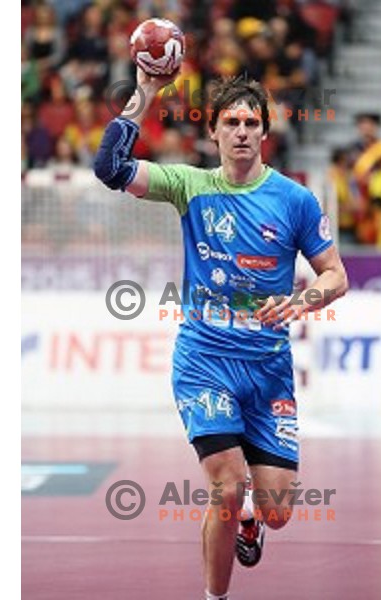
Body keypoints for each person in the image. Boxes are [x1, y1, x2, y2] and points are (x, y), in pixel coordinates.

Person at [93, 69, 348, 600]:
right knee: (227, 489)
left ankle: (256, 517)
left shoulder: (295, 200)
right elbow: (109, 167)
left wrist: (299, 302)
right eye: (230, 121)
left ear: (264, 133)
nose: (241, 131)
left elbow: (335, 277)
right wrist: (147, 88)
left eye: (251, 122)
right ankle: (216, 596)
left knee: (276, 511)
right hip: (204, 360)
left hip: (268, 369)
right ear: (213, 132)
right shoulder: (191, 186)